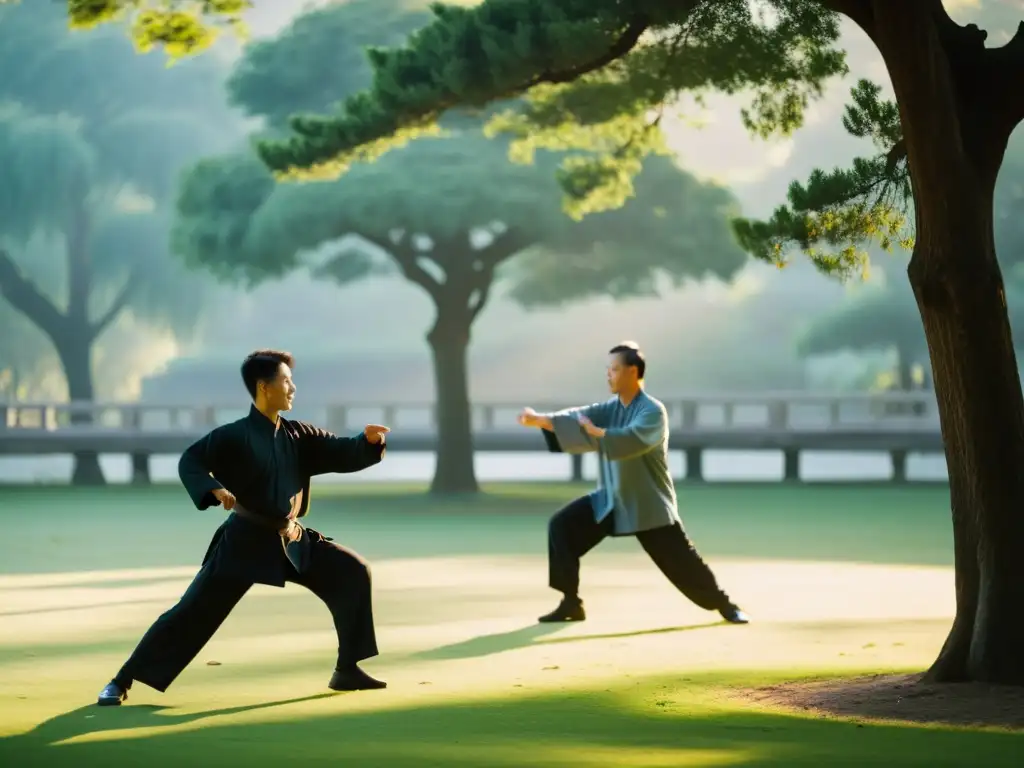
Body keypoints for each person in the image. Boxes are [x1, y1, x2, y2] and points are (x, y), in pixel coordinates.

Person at [97, 349, 390, 706]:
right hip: (245, 541)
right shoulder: (233, 436)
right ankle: (121, 679)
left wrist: (368, 443)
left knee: (352, 570)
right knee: (191, 612)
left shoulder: (299, 435)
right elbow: (192, 459)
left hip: (291, 539)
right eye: (286, 381)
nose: (293, 388)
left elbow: (340, 450)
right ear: (264, 387)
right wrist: (212, 488)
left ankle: (347, 669)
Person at [517, 342, 749, 626]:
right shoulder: (609, 408)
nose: (609, 375)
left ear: (633, 371)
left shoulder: (652, 411)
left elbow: (632, 439)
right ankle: (571, 602)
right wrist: (540, 420)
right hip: (611, 500)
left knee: (683, 563)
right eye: (607, 369)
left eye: (614, 369)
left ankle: (725, 605)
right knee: (562, 526)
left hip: (647, 504)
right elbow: (579, 416)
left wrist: (597, 432)